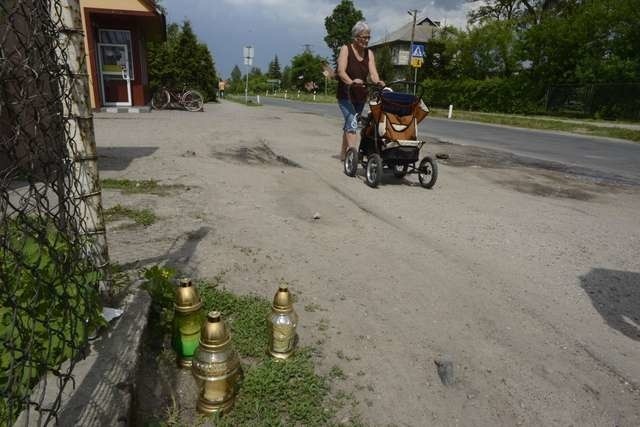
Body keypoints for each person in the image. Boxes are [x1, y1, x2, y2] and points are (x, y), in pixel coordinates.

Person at [336, 20, 384, 161]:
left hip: (360, 95)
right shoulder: (346, 49)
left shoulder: (369, 53)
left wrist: (378, 81)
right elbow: (340, 71)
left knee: (351, 122)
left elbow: (373, 74)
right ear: (356, 37)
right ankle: (353, 157)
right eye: (364, 37)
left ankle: (344, 154)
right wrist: (351, 82)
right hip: (346, 95)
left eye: (368, 37)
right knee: (352, 122)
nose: (367, 40)